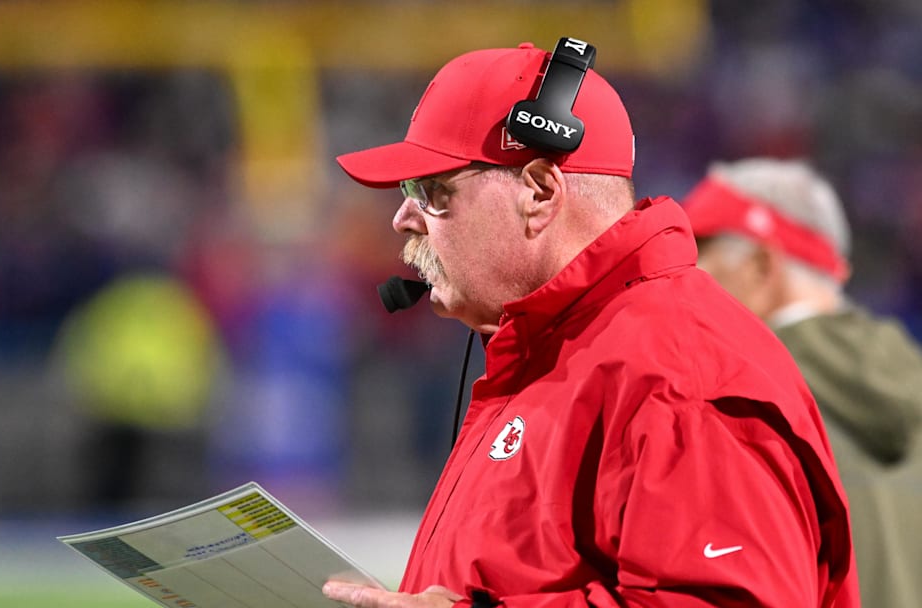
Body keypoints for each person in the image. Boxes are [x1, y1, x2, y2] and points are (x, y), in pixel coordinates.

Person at [324, 39, 859, 607]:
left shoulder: (680, 373)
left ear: (539, 192)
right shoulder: (557, 349)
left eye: (432, 191)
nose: (403, 217)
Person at [680, 157, 922, 608]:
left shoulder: (742, 409)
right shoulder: (912, 380)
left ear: (759, 267)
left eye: (698, 260)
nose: (682, 284)